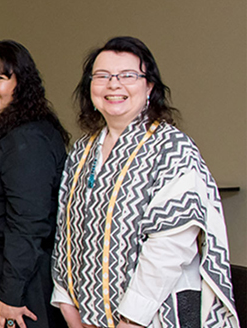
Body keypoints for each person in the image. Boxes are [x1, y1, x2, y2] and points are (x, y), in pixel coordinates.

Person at [53, 36, 239, 327]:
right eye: (102, 76)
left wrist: (132, 319)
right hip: (89, 313)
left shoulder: (172, 148)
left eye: (128, 75)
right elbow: (67, 228)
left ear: (149, 85)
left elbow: (171, 244)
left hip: (156, 314)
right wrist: (67, 301)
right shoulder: (83, 150)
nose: (114, 84)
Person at [0, 40, 68, 328]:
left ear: (22, 84)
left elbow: (30, 221)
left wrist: (11, 291)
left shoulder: (28, 139)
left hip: (12, 275)